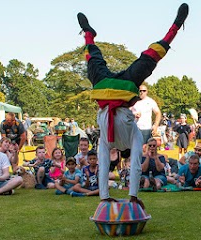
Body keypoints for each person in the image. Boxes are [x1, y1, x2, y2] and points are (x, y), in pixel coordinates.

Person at [77, 3, 188, 207]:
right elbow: (134, 165)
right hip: (114, 95)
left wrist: (105, 198)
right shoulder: (134, 135)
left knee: (100, 57)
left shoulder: (108, 140)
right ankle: (175, 26)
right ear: (120, 153)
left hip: (106, 95)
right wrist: (133, 196)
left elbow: (106, 165)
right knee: (145, 57)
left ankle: (88, 33)